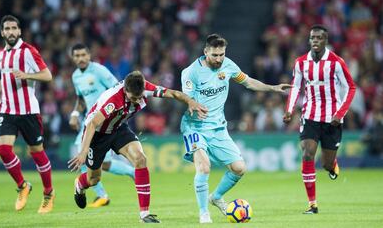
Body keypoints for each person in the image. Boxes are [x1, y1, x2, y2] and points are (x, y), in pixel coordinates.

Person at [68, 70, 208, 223]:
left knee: (140, 159)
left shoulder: (146, 88)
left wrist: (190, 101)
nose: (137, 101)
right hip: (97, 134)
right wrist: (83, 151)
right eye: (133, 98)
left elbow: (173, 93)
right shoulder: (113, 100)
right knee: (93, 179)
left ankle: (144, 214)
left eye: (139, 97)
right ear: (125, 90)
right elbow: (93, 123)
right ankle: (80, 184)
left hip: (118, 128)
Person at [180, 34, 292, 223]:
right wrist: (191, 103)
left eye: (221, 54)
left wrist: (273, 88)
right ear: (205, 51)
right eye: (215, 55)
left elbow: (248, 82)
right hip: (195, 127)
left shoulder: (228, 66)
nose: (218, 59)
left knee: (239, 168)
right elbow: (186, 97)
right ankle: (203, 213)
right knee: (204, 167)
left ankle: (215, 197)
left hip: (218, 128)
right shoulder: (191, 72)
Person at [0, 15, 55, 213]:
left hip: (29, 111)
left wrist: (27, 75)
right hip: (7, 110)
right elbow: (4, 80)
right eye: (7, 28)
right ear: (3, 32)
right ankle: (23, 186)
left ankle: (48, 193)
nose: (11, 31)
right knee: (4, 150)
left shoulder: (29, 52)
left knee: (36, 152)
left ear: (19, 31)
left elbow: (47, 75)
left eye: (14, 28)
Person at [283, 24, 356, 214]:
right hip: (310, 116)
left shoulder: (336, 62)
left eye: (319, 38)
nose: (315, 41)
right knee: (308, 153)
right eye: (312, 38)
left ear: (326, 40)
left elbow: (351, 87)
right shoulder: (301, 63)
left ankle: (332, 166)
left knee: (326, 164)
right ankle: (312, 204)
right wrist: (290, 110)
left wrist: (340, 113)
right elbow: (296, 87)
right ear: (309, 40)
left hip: (333, 118)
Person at [69, 43, 135, 207]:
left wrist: (120, 114)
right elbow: (80, 99)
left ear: (89, 55)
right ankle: (104, 193)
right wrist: (75, 114)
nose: (81, 58)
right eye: (77, 56)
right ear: (73, 58)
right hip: (89, 122)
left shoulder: (99, 70)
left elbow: (118, 87)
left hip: (105, 122)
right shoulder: (75, 76)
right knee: (92, 160)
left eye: (83, 55)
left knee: (94, 161)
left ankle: (103, 193)